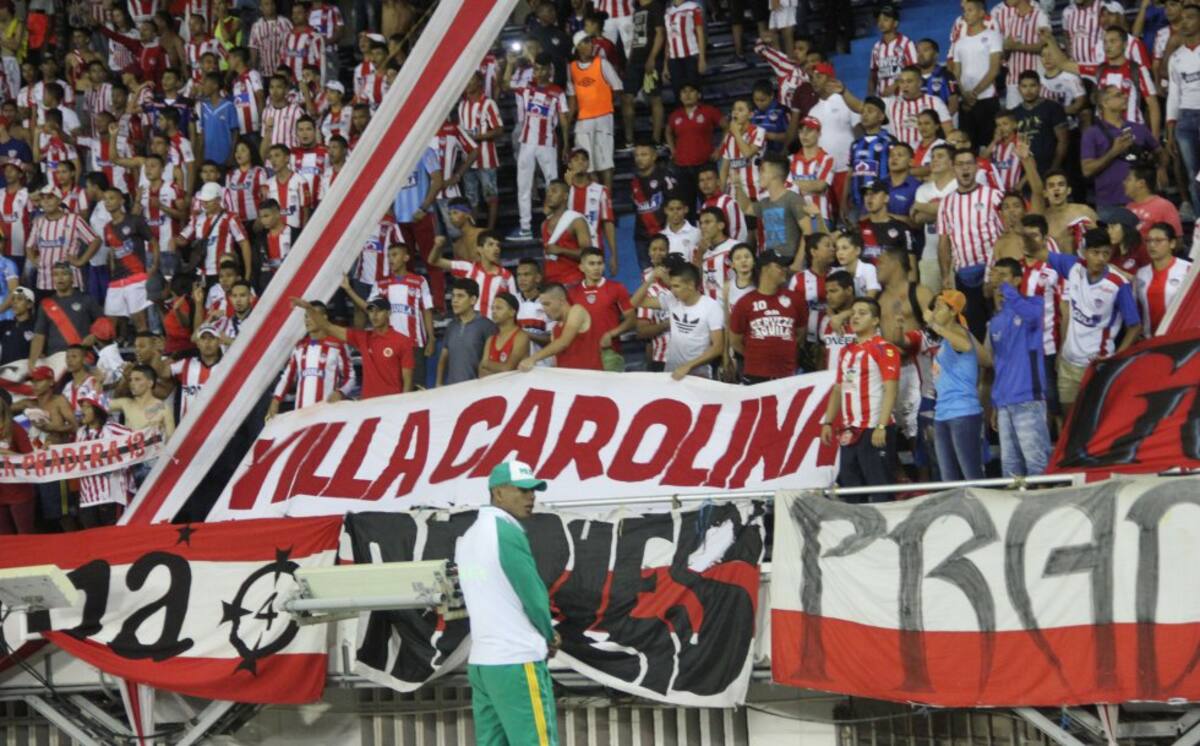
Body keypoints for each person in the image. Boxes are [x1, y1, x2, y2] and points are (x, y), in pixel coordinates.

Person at [456, 460, 559, 746]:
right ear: (498, 493)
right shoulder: (506, 532)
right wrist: (549, 635)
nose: (531, 497)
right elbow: (533, 594)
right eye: (522, 490)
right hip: (516, 661)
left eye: (534, 490)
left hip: (483, 664)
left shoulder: (469, 538)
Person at [819, 297, 900, 502]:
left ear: (875, 321)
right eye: (853, 312)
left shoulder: (884, 348)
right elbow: (839, 388)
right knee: (852, 492)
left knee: (881, 490)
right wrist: (828, 421)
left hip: (874, 429)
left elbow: (891, 389)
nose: (855, 317)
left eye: (862, 313)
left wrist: (881, 425)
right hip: (850, 431)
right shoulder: (846, 351)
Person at [1058, 227, 1143, 415]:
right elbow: (1039, 253)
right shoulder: (1073, 267)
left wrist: (1115, 358)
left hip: (1096, 365)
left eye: (1106, 253)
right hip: (1068, 361)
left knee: (1093, 421)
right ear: (1086, 252)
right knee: (1069, 420)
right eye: (1096, 253)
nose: (1101, 258)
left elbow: (1135, 326)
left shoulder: (1118, 284)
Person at [980, 258, 1051, 477]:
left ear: (1018, 280)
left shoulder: (1034, 306)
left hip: (1027, 399)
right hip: (1004, 402)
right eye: (996, 275)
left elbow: (1030, 316)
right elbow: (997, 365)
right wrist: (995, 402)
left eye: (1004, 275)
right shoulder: (995, 322)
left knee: (1036, 464)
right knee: (1010, 468)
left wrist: (1006, 290)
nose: (999, 280)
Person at [937, 149, 1005, 339]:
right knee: (974, 331)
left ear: (976, 167)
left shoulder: (994, 196)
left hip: (993, 273)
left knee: (1000, 326)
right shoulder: (946, 203)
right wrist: (945, 276)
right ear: (953, 168)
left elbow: (1007, 233)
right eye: (960, 164)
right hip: (964, 275)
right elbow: (944, 241)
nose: (965, 168)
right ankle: (982, 368)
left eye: (969, 163)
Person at [292, 296, 414, 398]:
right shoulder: (363, 337)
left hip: (391, 402)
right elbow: (328, 327)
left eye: (379, 311)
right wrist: (308, 308)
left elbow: (408, 382)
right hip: (368, 405)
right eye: (371, 311)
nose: (374, 315)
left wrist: (403, 407)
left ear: (388, 313)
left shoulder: (402, 341)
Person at [921, 290, 984, 480]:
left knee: (971, 474)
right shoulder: (945, 340)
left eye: (940, 307)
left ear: (952, 312)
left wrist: (933, 324)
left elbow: (964, 345)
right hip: (943, 413)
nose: (934, 311)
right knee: (948, 478)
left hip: (962, 412)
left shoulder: (959, 332)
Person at [1081, 85, 1166, 220]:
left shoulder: (1138, 128)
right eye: (1118, 95)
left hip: (1142, 200)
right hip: (1109, 204)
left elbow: (1160, 151)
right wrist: (1113, 152)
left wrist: (1161, 169)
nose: (1125, 97)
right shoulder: (1092, 133)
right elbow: (1087, 170)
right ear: (1105, 103)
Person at [510, 54, 569, 242]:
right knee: (523, 186)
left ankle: (555, 226)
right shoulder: (527, 88)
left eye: (543, 69)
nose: (539, 72)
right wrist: (511, 64)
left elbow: (564, 120)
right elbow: (505, 85)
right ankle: (525, 228)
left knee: (553, 186)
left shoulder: (557, 91)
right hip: (527, 143)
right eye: (536, 69)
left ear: (549, 70)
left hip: (548, 144)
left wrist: (566, 144)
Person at [630, 262, 725, 379]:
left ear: (690, 285)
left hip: (699, 375)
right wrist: (650, 279)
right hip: (671, 373)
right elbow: (634, 302)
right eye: (671, 286)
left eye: (676, 286)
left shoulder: (711, 306)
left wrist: (688, 366)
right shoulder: (671, 300)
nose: (672, 291)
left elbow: (717, 347)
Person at [267, 302, 355, 418]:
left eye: (312, 315)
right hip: (301, 414)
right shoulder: (300, 346)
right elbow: (287, 377)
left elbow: (350, 377)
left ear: (324, 318)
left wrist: (340, 392)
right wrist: (275, 401)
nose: (308, 320)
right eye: (306, 316)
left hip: (327, 413)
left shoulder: (337, 345)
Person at [729, 251, 804, 383]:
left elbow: (799, 334)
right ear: (765, 269)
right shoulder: (744, 303)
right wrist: (755, 356)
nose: (785, 270)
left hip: (786, 374)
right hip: (754, 374)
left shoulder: (796, 300)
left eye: (785, 266)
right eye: (779, 266)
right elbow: (735, 341)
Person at [567, 32, 622, 192]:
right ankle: (594, 199)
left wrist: (604, 104)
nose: (589, 45)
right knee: (587, 164)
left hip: (603, 117)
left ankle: (606, 201)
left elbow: (617, 87)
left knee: (605, 162)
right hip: (583, 119)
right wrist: (569, 119)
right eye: (584, 43)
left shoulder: (602, 63)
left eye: (589, 42)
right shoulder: (571, 69)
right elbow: (572, 97)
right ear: (577, 47)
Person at [948, 0, 1004, 149]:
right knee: (967, 145)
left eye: (970, 10)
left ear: (981, 13)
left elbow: (994, 69)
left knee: (989, 144)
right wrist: (964, 95)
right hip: (966, 103)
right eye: (964, 11)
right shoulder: (959, 42)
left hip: (987, 99)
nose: (966, 13)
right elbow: (956, 73)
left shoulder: (992, 36)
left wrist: (974, 93)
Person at [568, 248, 634, 371]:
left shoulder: (617, 288)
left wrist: (611, 334)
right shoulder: (572, 293)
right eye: (591, 264)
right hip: (583, 356)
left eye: (600, 263)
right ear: (581, 267)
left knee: (613, 389)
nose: (596, 268)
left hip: (609, 355)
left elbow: (631, 319)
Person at [428, 233, 516, 322]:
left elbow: (514, 307)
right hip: (471, 328)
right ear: (479, 249)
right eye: (490, 244)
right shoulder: (468, 268)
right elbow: (433, 261)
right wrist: (437, 246)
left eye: (498, 245)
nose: (496, 248)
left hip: (495, 330)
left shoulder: (507, 276)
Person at [735, 155, 810, 259]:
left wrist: (797, 263)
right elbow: (746, 208)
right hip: (771, 260)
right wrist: (737, 185)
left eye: (763, 170)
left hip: (789, 260)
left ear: (775, 174)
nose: (759, 174)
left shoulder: (793, 199)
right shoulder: (765, 202)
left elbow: (808, 232)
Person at [76, 394, 133, 529]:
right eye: (81, 407)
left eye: (87, 407)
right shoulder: (80, 433)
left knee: (114, 538)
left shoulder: (114, 430)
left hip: (112, 496)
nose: (82, 411)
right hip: (88, 499)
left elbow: (139, 441)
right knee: (94, 541)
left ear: (98, 409)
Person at [519, 283, 603, 370]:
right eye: (542, 305)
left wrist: (533, 358)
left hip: (588, 378)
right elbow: (556, 357)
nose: (544, 309)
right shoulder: (555, 328)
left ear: (561, 301)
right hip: (566, 380)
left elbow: (563, 343)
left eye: (547, 304)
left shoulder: (577, 311)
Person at [1136, 222, 1192, 337]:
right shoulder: (1141, 274)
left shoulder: (1188, 270)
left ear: (1172, 243)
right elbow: (1137, 310)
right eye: (1148, 240)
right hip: (1149, 340)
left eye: (1158, 240)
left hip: (1180, 339)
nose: (1152, 245)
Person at [439, 278, 498, 385]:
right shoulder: (451, 326)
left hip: (476, 392)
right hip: (451, 391)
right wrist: (438, 384)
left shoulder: (487, 326)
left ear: (473, 300)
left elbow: (490, 364)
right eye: (453, 296)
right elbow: (443, 358)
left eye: (460, 296)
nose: (454, 300)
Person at [540, 180, 591, 286]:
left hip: (574, 282)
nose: (549, 194)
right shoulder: (544, 225)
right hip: (551, 285)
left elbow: (588, 254)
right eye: (548, 192)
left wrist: (561, 250)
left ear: (565, 196)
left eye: (554, 191)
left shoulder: (576, 221)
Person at [0, 392, 35, 534]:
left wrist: (6, 454)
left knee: (25, 537)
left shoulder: (15, 429)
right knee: (5, 542)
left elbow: (29, 458)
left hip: (19, 493)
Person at [869, 5, 918, 97]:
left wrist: (895, 85)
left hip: (902, 97)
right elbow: (873, 74)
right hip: (883, 99)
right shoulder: (876, 47)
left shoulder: (906, 43)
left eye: (886, 19)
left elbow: (914, 70)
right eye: (879, 20)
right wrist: (870, 96)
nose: (881, 23)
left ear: (895, 23)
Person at [480, 292, 532, 376]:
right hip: (491, 388)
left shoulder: (521, 337)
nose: (494, 311)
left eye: (499, 308)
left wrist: (487, 364)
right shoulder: (491, 339)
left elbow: (508, 369)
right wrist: (486, 365)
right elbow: (481, 371)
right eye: (492, 308)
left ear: (512, 312)